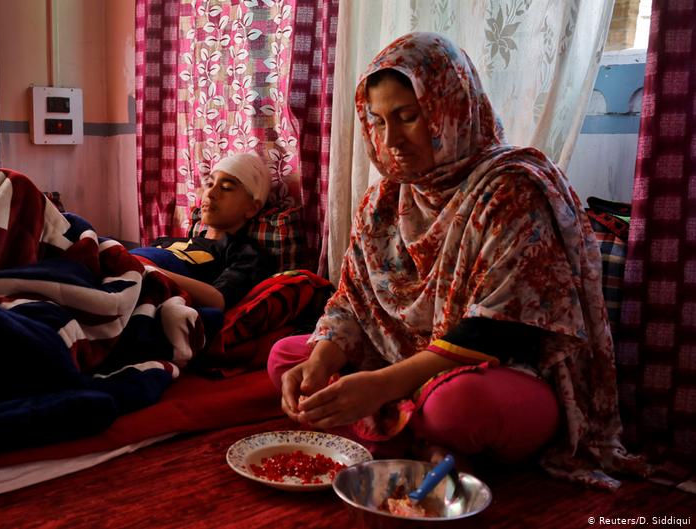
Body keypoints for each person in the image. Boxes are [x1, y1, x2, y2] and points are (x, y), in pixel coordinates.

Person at [267, 33, 644, 488]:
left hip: (498, 372)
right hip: (400, 364)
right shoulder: (384, 201)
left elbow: (499, 333)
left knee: (457, 408)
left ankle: (406, 427)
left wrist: (382, 385)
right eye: (379, 121)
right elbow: (350, 303)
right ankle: (420, 438)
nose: (393, 140)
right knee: (289, 358)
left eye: (409, 117)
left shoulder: (512, 188)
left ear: (453, 107)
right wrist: (323, 359)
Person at [131, 152, 275, 310]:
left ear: (252, 208)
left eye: (226, 188)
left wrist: (147, 270)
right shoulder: (166, 241)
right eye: (210, 184)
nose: (211, 194)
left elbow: (218, 299)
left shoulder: (244, 252)